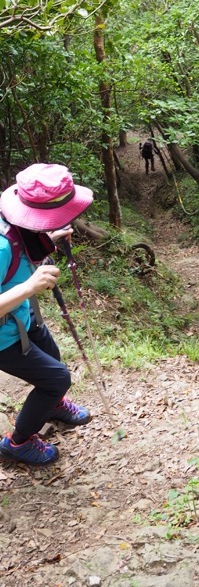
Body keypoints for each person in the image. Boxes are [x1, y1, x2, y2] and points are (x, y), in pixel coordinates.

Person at [0, 163, 94, 466]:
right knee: (57, 378)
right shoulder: (1, 246)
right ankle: (18, 442)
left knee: (54, 360)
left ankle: (51, 405)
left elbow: (22, 251)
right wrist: (30, 287)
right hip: (4, 338)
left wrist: (49, 239)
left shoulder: (17, 227)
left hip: (22, 322)